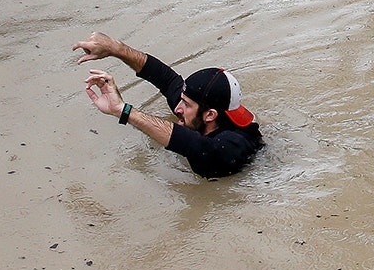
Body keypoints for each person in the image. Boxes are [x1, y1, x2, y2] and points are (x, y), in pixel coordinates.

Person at [75, 31, 262, 178]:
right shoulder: (198, 112)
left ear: (210, 116)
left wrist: (122, 110)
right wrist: (114, 48)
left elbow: (195, 145)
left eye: (186, 104)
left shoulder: (233, 146)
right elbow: (166, 79)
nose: (177, 108)